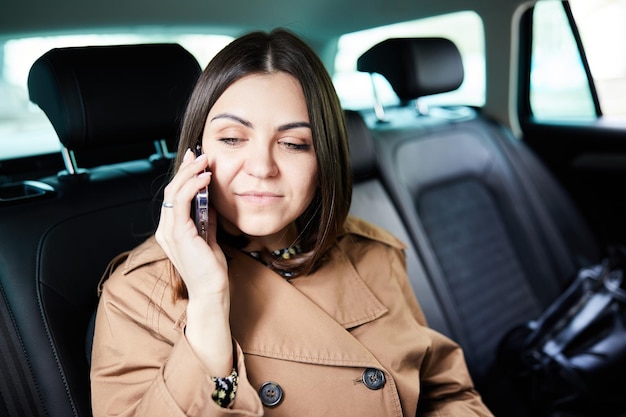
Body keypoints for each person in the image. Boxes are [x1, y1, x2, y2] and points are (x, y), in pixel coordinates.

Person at [90, 28, 494, 417]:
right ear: (195, 154)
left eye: (294, 143)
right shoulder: (136, 295)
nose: (263, 168)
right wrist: (208, 303)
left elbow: (444, 391)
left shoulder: (372, 252)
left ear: (324, 160)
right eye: (232, 138)